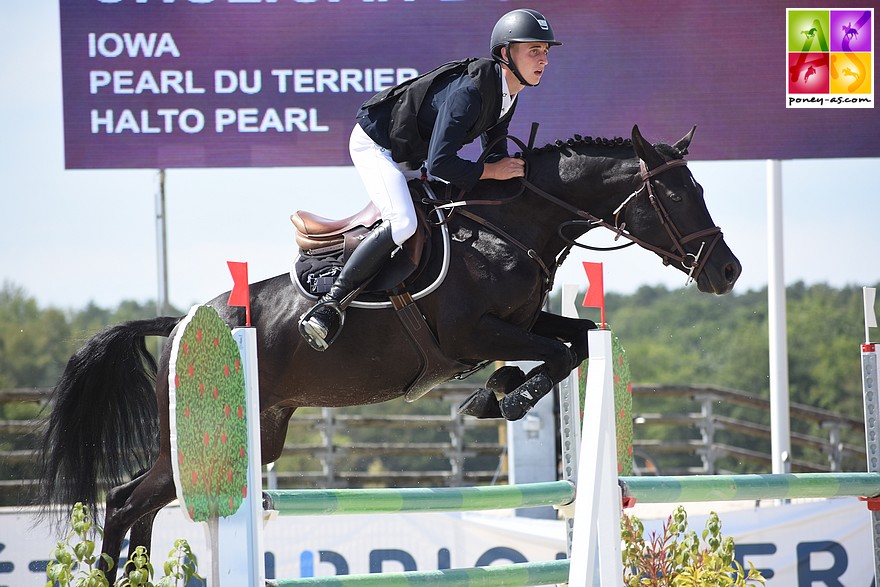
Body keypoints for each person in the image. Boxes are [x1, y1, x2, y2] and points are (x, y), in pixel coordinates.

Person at [298, 8, 562, 351]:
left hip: (410, 153)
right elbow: (441, 163)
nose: (543, 60)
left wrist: (521, 172)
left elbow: (494, 150)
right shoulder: (471, 91)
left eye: (545, 52)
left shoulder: (508, 92)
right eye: (533, 51)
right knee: (404, 222)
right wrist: (491, 171)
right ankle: (330, 306)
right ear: (505, 53)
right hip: (376, 145)